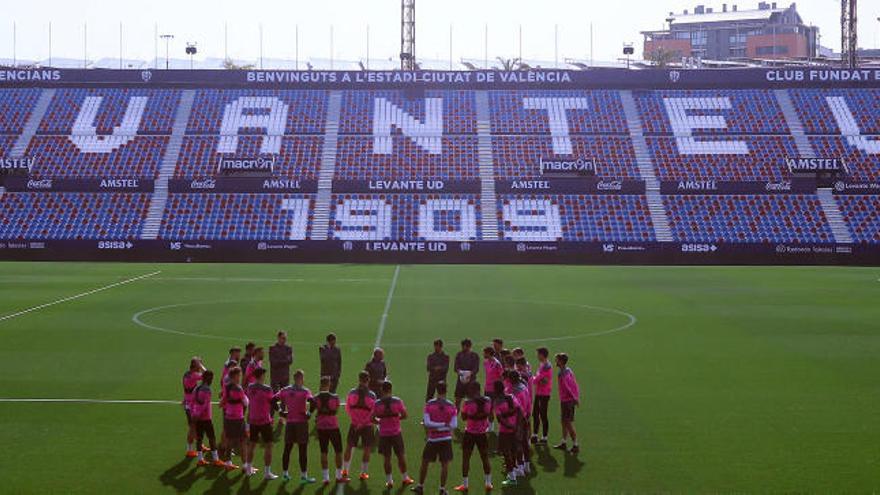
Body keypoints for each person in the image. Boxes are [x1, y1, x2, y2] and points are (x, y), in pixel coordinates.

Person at [412, 382, 457, 495]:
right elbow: (453, 425)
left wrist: (436, 427)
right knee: (444, 465)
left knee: (425, 463)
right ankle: (442, 489)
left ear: (437, 390)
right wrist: (444, 425)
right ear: (446, 390)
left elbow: (427, 423)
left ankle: (420, 486)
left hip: (433, 439)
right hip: (446, 439)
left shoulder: (429, 404)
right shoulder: (451, 406)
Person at [371, 380, 414, 489]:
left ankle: (389, 481)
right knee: (400, 456)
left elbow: (372, 418)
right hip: (396, 433)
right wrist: (396, 419)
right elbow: (405, 415)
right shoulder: (397, 401)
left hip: (384, 434)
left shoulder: (377, 403)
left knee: (387, 458)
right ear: (390, 389)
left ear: (382, 390)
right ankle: (405, 478)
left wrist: (380, 422)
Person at [276, 369, 316, 484]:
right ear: (301, 379)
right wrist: (309, 413)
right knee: (302, 450)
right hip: (302, 424)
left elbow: (273, 400)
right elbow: (313, 402)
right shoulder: (305, 391)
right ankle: (304, 477)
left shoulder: (286, 390)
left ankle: (285, 475)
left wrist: (280, 412)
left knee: (287, 449)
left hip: (290, 423)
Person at [454, 382, 493, 493]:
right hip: (482, 433)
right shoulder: (488, 400)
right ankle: (488, 483)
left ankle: (465, 484)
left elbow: (463, 417)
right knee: (485, 457)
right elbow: (489, 414)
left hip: (470, 433)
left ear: (471, 390)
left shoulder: (467, 402)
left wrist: (471, 415)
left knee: (466, 458)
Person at [311, 376, 347, 485]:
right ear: (329, 384)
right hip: (333, 427)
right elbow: (335, 411)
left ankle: (326, 478)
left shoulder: (316, 398)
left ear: (321, 384)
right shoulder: (335, 397)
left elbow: (312, 410)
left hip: (321, 427)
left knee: (324, 451)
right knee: (338, 451)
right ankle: (338, 476)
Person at [343, 371, 377, 481]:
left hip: (354, 424)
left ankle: (345, 470)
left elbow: (347, 408)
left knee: (349, 447)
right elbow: (373, 413)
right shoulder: (372, 395)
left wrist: (356, 421)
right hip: (367, 426)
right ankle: (363, 473)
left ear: (359, 379)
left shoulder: (352, 393)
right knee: (367, 449)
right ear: (368, 380)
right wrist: (362, 423)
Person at [245, 367, 278, 479]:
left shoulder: (250, 387)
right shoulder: (267, 389)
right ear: (262, 376)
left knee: (252, 445)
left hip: (253, 420)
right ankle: (267, 472)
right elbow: (273, 402)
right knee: (268, 445)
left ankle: (249, 469)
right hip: (264, 421)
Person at [492, 380, 524, 487]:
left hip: (505, 431)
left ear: (496, 390)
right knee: (514, 450)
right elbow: (519, 410)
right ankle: (515, 471)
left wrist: (509, 426)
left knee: (506, 453)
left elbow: (500, 419)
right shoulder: (511, 396)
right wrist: (517, 426)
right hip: (514, 429)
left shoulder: (497, 401)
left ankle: (512, 477)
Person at [191, 370, 224, 467]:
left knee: (199, 438)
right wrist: (198, 414)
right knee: (212, 438)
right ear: (208, 378)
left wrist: (194, 413)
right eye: (211, 378)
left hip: (197, 418)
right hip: (205, 418)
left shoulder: (196, 388)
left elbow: (192, 402)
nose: (212, 380)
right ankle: (216, 459)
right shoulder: (207, 390)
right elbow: (205, 405)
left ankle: (200, 459)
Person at [219, 366, 247, 471]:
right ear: (235, 376)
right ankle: (245, 466)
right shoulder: (238, 388)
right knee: (243, 441)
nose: (240, 377)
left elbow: (222, 402)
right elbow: (246, 402)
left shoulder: (226, 386)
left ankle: (228, 463)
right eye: (239, 375)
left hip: (228, 417)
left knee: (229, 440)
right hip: (238, 418)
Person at [554, 353, 581, 454]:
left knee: (568, 423)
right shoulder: (568, 370)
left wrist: (575, 398)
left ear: (560, 361)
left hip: (567, 401)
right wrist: (576, 397)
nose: (555, 361)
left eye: (556, 360)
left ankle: (575, 445)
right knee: (564, 422)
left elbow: (568, 387)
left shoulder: (562, 373)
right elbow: (574, 383)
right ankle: (564, 442)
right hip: (567, 400)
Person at [508, 370, 533, 477]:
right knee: (524, 442)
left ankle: (520, 467)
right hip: (526, 417)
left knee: (517, 444)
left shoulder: (514, 391)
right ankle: (527, 466)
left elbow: (516, 408)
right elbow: (529, 403)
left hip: (517, 420)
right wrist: (527, 416)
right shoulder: (524, 387)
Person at [182, 356, 206, 458]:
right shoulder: (193, 375)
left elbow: (187, 389)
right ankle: (189, 450)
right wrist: (201, 366)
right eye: (199, 364)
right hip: (191, 405)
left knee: (195, 427)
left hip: (189, 403)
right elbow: (207, 374)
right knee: (193, 428)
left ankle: (199, 445)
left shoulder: (186, 374)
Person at [269, 331, 294, 420]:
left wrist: (280, 360)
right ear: (278, 338)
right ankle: (270, 417)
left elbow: (290, 360)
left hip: (285, 376)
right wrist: (284, 360)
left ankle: (282, 417)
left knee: (284, 397)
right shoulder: (272, 348)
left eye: (285, 338)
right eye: (283, 338)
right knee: (273, 397)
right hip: (275, 376)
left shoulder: (288, 348)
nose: (284, 340)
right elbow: (273, 362)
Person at [531, 347, 552, 445]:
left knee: (543, 414)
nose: (537, 356)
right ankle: (535, 435)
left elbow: (543, 380)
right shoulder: (542, 365)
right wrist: (538, 379)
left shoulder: (547, 366)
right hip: (539, 393)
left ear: (542, 355)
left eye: (538, 354)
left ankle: (544, 437)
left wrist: (536, 379)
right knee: (535, 413)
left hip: (544, 394)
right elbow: (540, 379)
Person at [453, 339, 480, 411]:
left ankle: (471, 418)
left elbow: (476, 368)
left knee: (472, 401)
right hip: (460, 382)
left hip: (471, 382)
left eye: (464, 346)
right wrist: (460, 372)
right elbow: (455, 368)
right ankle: (454, 419)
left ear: (469, 346)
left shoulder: (475, 355)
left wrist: (469, 374)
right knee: (457, 401)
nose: (462, 348)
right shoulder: (459, 355)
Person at [482, 347, 503, 432]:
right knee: (488, 408)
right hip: (487, 388)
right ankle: (491, 426)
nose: (483, 354)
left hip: (495, 390)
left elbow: (502, 377)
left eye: (484, 353)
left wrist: (501, 389)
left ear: (488, 353)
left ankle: (502, 427)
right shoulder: (485, 362)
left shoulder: (497, 364)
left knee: (498, 409)